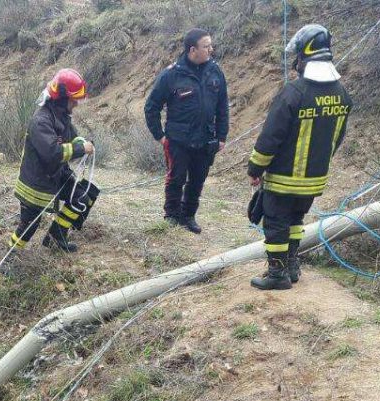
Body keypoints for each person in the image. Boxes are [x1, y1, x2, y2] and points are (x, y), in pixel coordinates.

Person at [247, 24, 352, 290]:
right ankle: (292, 266)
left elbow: (271, 136)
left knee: (275, 224)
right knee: (295, 220)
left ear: (304, 55)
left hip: (284, 178)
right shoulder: (341, 94)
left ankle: (277, 274)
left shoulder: (293, 93)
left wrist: (255, 167)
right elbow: (336, 138)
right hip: (314, 179)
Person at [144, 28, 229, 234]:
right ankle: (172, 217)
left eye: (210, 45)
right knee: (176, 179)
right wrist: (160, 136)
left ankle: (188, 216)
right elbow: (151, 107)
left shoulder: (215, 71)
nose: (211, 49)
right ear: (193, 50)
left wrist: (221, 136)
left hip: (206, 139)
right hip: (178, 140)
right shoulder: (171, 75)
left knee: (197, 181)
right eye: (206, 46)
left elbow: (222, 107)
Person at [11, 68, 98, 254]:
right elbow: (53, 153)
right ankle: (11, 255)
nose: (76, 103)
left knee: (81, 197)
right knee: (29, 226)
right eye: (74, 99)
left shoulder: (61, 116)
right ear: (63, 98)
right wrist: (81, 148)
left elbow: (72, 138)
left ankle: (55, 238)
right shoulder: (41, 121)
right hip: (35, 185)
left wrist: (82, 143)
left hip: (56, 177)